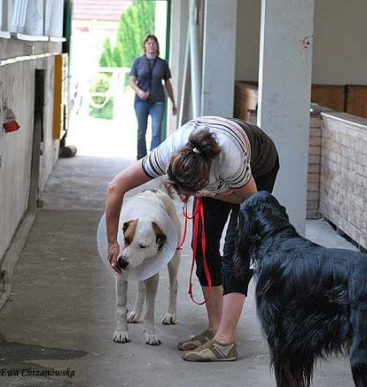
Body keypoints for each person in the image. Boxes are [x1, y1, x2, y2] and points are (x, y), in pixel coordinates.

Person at [105, 116, 279, 362]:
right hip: (211, 173)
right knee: (202, 246)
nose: (183, 198)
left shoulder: (231, 164)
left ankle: (224, 341)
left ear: (204, 180)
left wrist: (208, 192)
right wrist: (113, 242)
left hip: (260, 166)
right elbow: (116, 187)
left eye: (188, 194)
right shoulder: (168, 153)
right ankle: (214, 329)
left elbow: (253, 202)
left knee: (234, 252)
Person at [129, 34, 178, 160]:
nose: (151, 45)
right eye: (148, 43)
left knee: (156, 131)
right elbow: (131, 81)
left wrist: (173, 102)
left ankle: (153, 159)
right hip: (141, 101)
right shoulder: (138, 62)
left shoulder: (162, 64)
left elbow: (167, 83)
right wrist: (139, 92)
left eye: (154, 43)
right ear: (145, 46)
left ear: (157, 46)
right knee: (141, 131)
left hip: (158, 101)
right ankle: (140, 159)